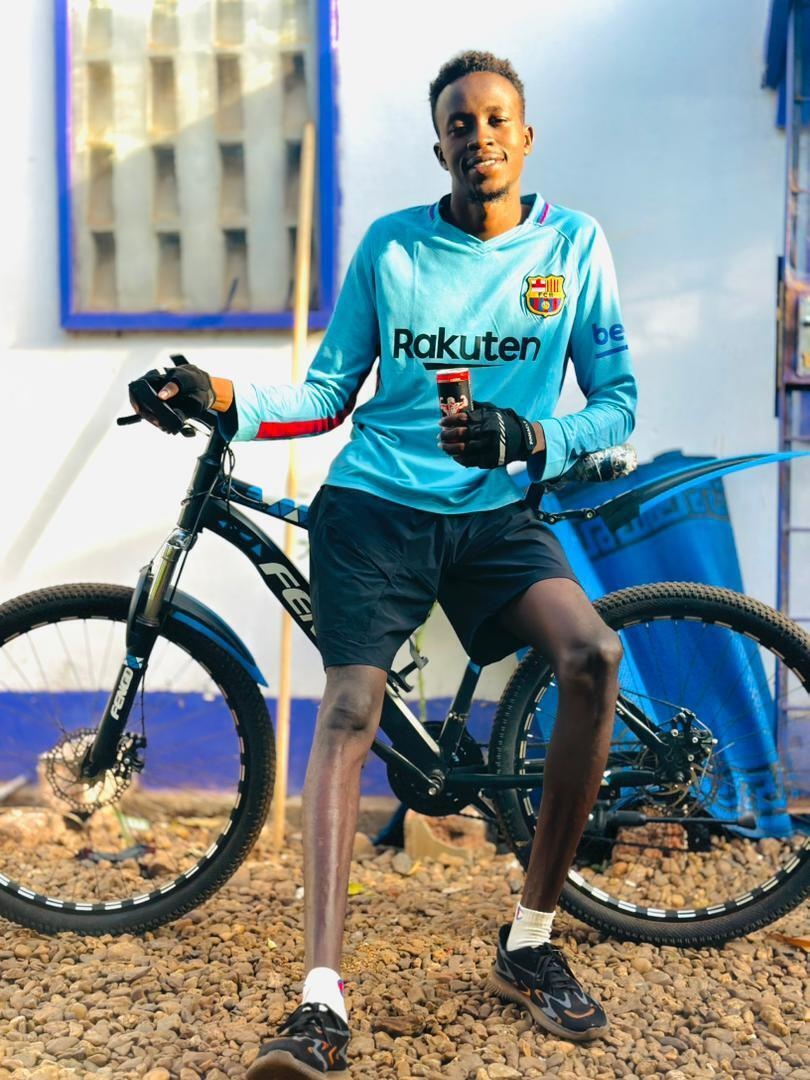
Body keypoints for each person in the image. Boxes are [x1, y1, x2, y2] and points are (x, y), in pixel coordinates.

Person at [136, 50, 637, 1079]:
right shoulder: (391, 249)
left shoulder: (575, 248)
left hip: (499, 516)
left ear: (525, 137)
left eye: (498, 119)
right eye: (461, 123)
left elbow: (619, 402)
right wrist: (226, 394)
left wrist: (527, 437)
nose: (480, 136)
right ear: (440, 142)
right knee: (353, 712)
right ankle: (320, 1006)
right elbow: (325, 392)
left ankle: (530, 942)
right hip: (374, 509)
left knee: (592, 656)